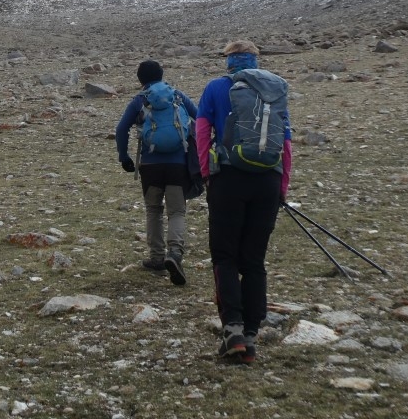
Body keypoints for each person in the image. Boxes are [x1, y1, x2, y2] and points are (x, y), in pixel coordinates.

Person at [195, 40, 292, 364]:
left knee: (224, 256)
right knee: (254, 260)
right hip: (267, 180)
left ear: (229, 62)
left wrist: (208, 174)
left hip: (228, 179)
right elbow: (286, 142)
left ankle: (233, 331)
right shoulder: (274, 89)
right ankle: (251, 335)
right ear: (256, 61)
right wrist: (282, 186)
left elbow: (202, 132)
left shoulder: (215, 89)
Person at [115, 59, 198, 286]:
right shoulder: (177, 96)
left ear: (140, 79)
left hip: (150, 166)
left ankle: (157, 258)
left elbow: (121, 129)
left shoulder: (139, 101)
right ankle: (175, 254)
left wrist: (124, 157)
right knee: (177, 211)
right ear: (162, 75)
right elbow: (200, 118)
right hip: (178, 164)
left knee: (153, 209)